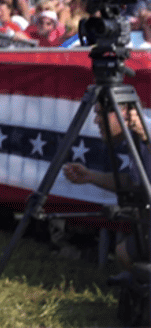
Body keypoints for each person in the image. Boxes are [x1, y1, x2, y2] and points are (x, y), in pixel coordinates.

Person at [63, 102, 149, 270]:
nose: (96, 121)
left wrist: (146, 136)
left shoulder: (145, 133)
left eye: (101, 114)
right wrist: (91, 176)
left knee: (127, 254)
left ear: (125, 114)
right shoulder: (135, 139)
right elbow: (134, 183)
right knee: (123, 252)